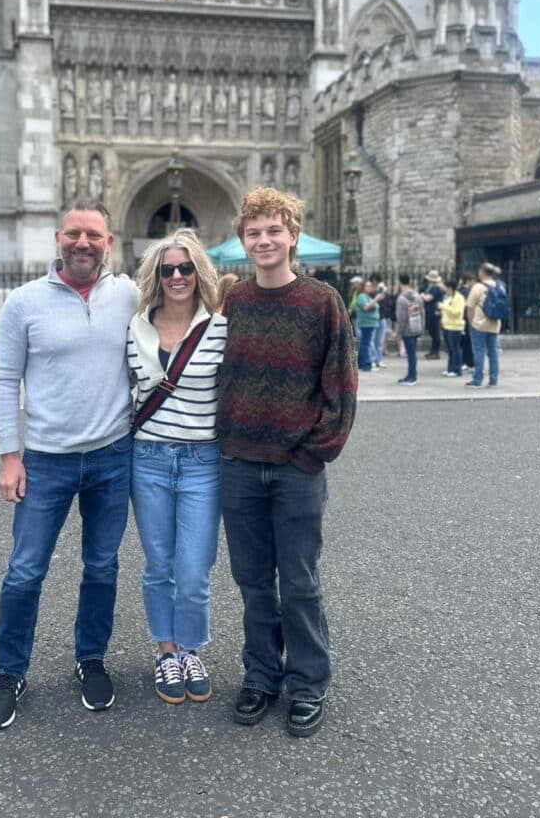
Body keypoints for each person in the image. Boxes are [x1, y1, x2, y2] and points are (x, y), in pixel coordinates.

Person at [0, 200, 139, 731]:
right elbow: (4, 379)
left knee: (102, 566)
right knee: (26, 570)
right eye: (74, 234)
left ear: (109, 242)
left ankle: (90, 658)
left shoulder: (130, 296)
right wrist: (9, 455)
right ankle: (10, 672)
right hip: (46, 459)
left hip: (113, 456)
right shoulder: (24, 301)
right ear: (57, 238)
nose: (83, 243)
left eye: (93, 235)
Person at [216, 188, 357, 738]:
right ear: (244, 241)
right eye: (254, 232)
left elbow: (341, 387)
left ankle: (307, 680)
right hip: (240, 464)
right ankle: (261, 675)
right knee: (252, 581)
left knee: (298, 581)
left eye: (274, 230)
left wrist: (312, 452)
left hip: (297, 468)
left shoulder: (323, 301)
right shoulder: (235, 302)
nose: (264, 240)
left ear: (293, 235)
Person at [127, 230, 226, 705]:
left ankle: (190, 647)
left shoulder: (221, 328)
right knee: (159, 565)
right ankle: (167, 651)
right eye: (168, 269)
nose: (177, 276)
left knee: (194, 569)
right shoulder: (135, 328)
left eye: (185, 268)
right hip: (146, 459)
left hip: (202, 461)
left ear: (198, 273)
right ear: (156, 276)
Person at [465, 263, 503, 388]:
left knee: (479, 351)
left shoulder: (478, 287)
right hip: (495, 324)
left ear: (483, 273)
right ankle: (493, 380)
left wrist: (471, 322)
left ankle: (477, 380)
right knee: (493, 352)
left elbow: (470, 307)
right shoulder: (500, 286)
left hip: (480, 324)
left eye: (479, 271)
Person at [395, 274, 425, 386]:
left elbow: (401, 318)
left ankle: (412, 377)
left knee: (411, 354)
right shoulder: (417, 296)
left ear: (400, 283)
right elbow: (422, 313)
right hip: (416, 327)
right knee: (412, 353)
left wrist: (399, 331)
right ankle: (410, 375)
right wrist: (422, 327)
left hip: (407, 329)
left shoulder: (401, 299)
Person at [438, 278, 465, 377]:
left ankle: (456, 370)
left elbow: (457, 312)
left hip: (455, 327)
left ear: (450, 287)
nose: (444, 289)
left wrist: (443, 307)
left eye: (445, 287)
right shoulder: (448, 297)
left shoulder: (459, 298)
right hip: (447, 326)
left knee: (455, 349)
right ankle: (450, 369)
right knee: (450, 349)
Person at [354, 279, 381, 372]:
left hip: (370, 323)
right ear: (363, 287)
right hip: (366, 323)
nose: (369, 288)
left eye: (370, 286)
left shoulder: (367, 296)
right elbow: (366, 307)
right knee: (366, 343)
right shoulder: (361, 296)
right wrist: (376, 299)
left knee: (364, 343)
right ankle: (366, 364)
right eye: (367, 286)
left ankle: (361, 363)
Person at [420, 269, 444, 359]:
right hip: (431, 312)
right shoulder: (432, 288)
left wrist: (422, 295)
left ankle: (435, 351)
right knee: (433, 332)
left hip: (434, 312)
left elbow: (427, 298)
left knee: (435, 333)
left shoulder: (435, 288)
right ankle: (433, 350)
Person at [458, 273, 476, 371]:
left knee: (463, 343)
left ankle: (464, 362)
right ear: (469, 281)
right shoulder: (466, 292)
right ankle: (469, 363)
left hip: (462, 320)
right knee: (467, 343)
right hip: (466, 320)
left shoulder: (460, 291)